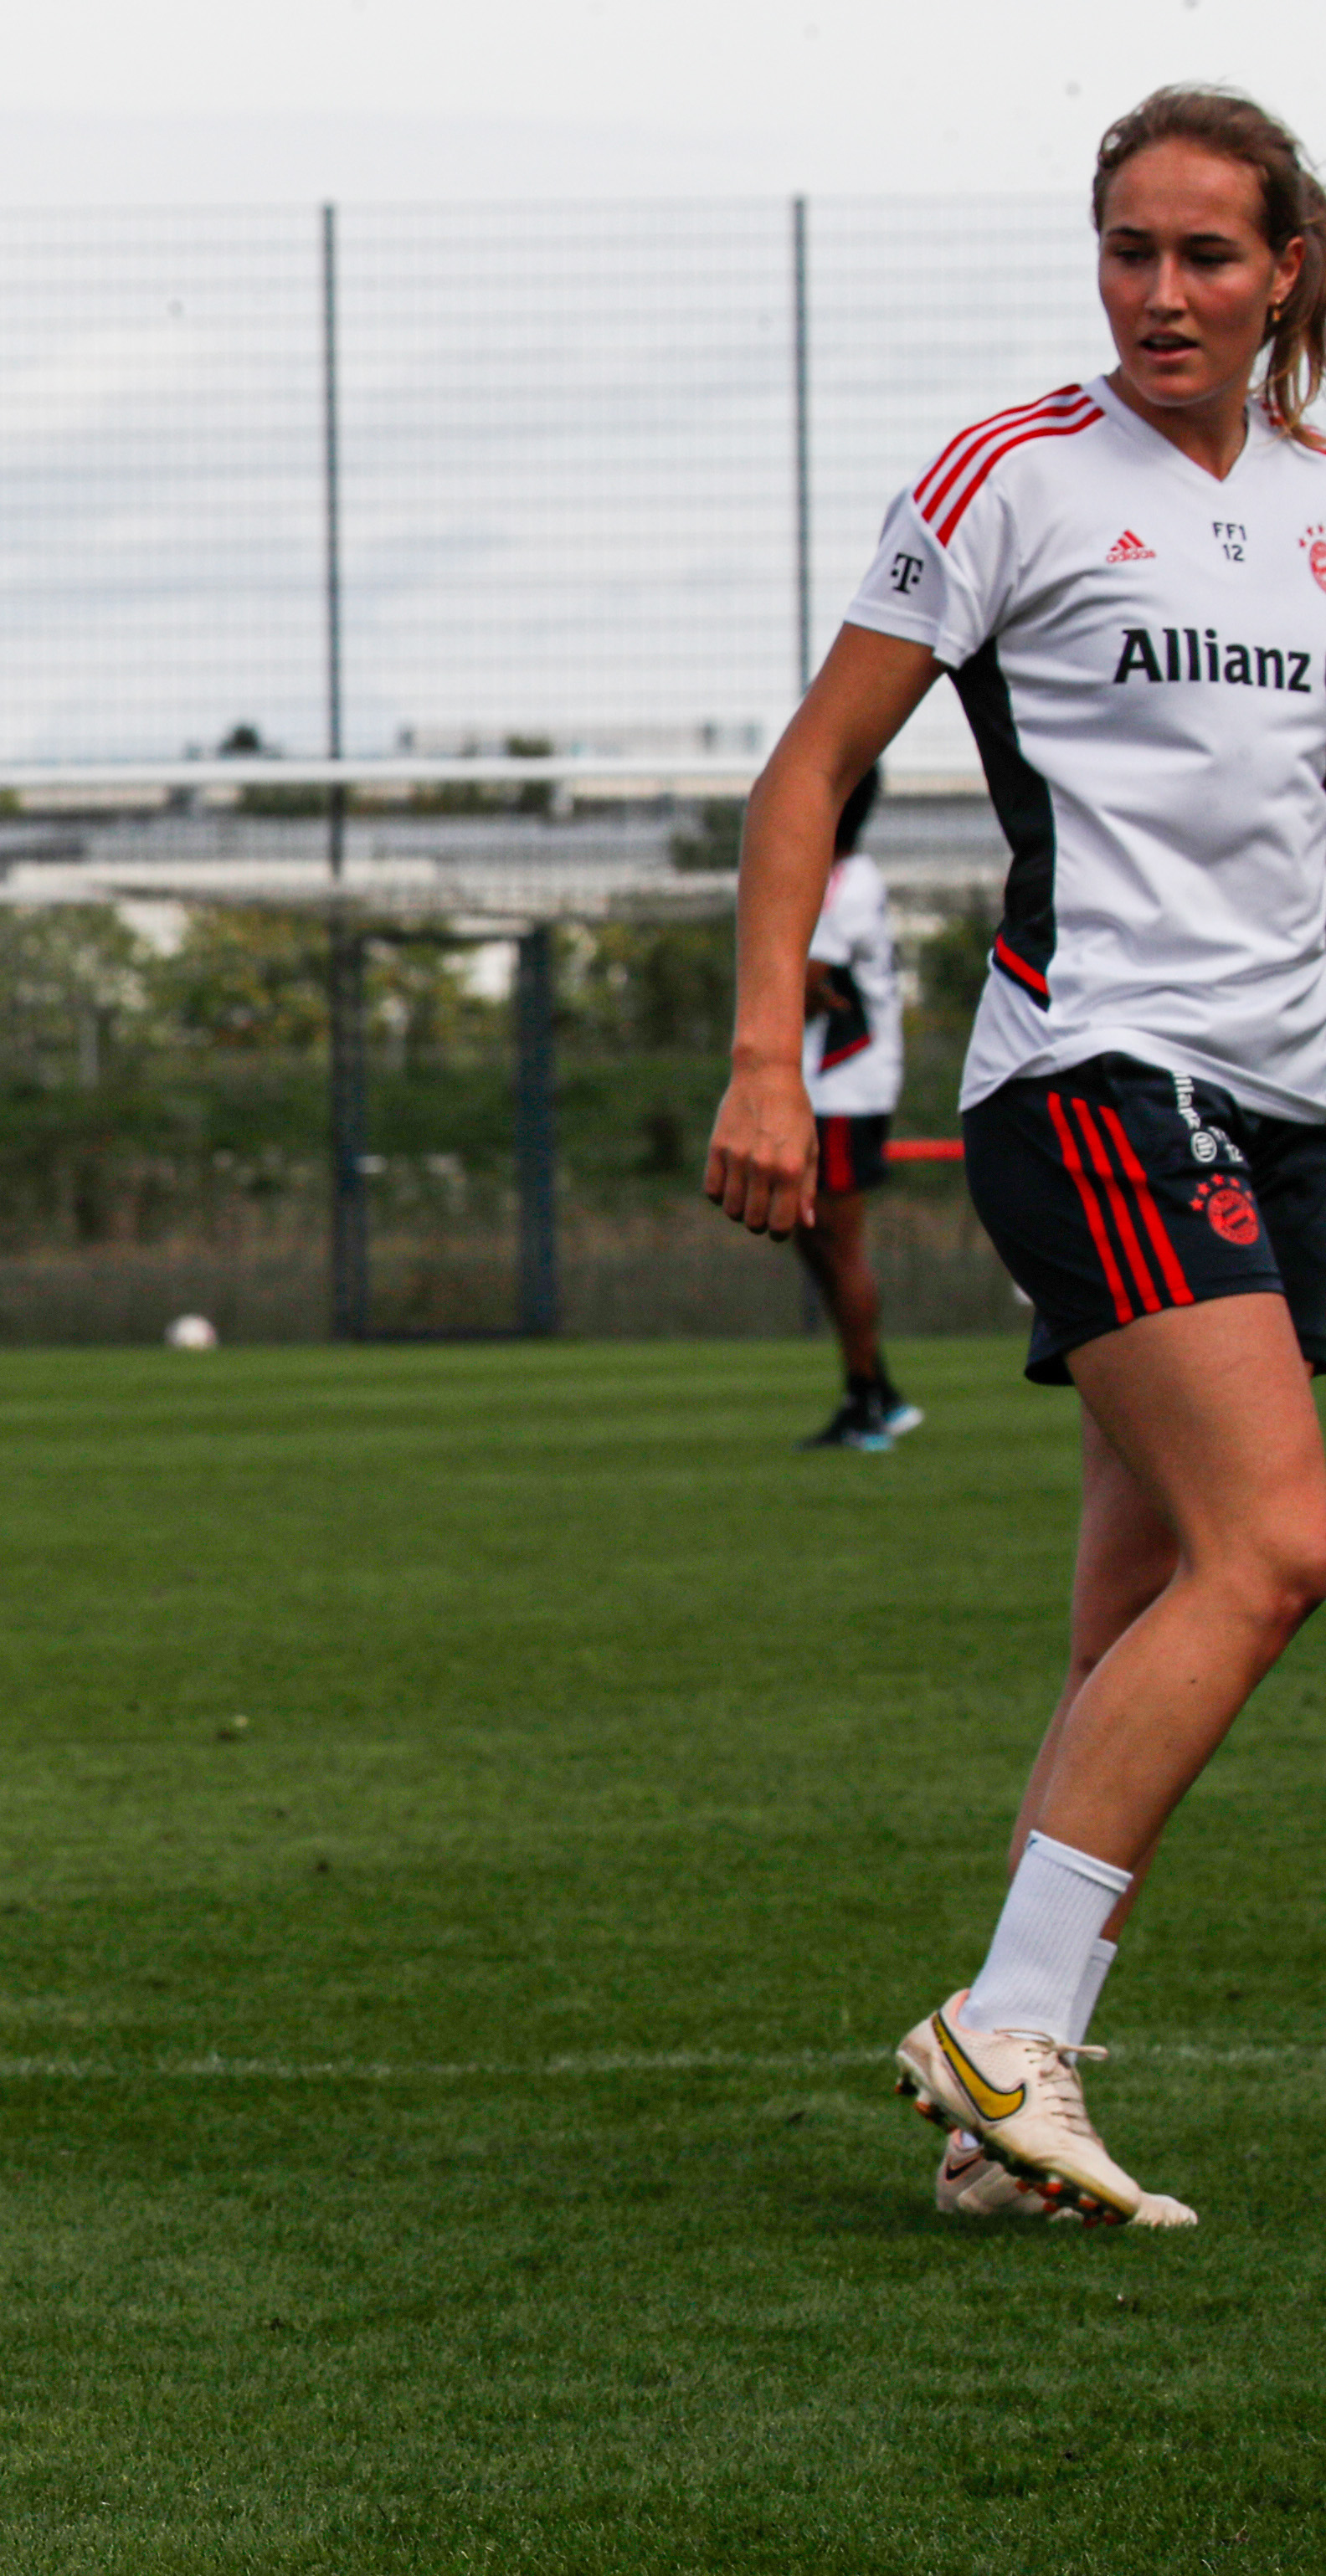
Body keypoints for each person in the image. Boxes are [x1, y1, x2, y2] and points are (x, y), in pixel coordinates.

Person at [706, 83, 1326, 2230]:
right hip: (1091, 1080)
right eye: (1126, 251)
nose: (1158, 294)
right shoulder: (1009, 478)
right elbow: (810, 768)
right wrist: (762, 1055)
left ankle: (997, 2069)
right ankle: (1007, 2028)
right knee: (1273, 1544)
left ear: (1282, 275)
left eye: (1204, 258)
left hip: (1282, 1109)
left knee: (1133, 1607)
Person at [787, 765, 923, 1450]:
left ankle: (869, 1399)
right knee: (810, 1235)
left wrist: (786, 984)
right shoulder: (836, 876)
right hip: (828, 1081)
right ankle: (878, 1389)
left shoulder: (845, 880)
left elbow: (809, 982)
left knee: (839, 1244)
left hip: (846, 1083)